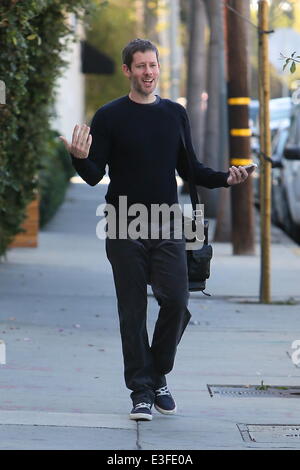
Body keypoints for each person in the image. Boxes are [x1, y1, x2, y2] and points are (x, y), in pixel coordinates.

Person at [60, 38, 253, 422]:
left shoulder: (174, 114)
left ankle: (156, 372)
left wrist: (225, 179)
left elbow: (189, 168)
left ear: (158, 68)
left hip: (167, 220)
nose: (149, 72)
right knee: (132, 311)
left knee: (177, 301)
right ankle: (141, 392)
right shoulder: (109, 116)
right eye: (141, 66)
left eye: (153, 65)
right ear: (127, 70)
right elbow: (96, 176)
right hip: (123, 222)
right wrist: (78, 158)